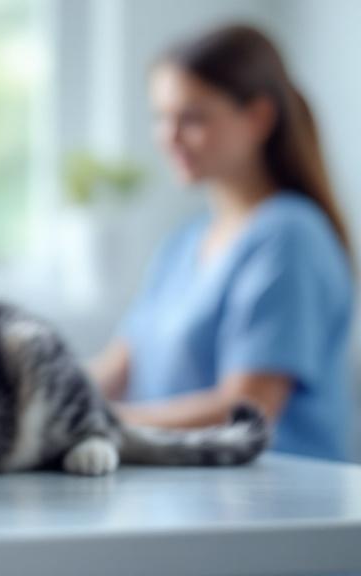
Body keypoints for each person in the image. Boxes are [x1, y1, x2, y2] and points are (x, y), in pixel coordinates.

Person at [90, 25, 354, 461]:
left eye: (191, 118)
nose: (168, 137)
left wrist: (96, 421)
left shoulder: (290, 237)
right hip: (190, 496)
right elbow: (117, 367)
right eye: (161, 117)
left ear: (258, 118)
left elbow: (248, 409)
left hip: (278, 509)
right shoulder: (184, 243)